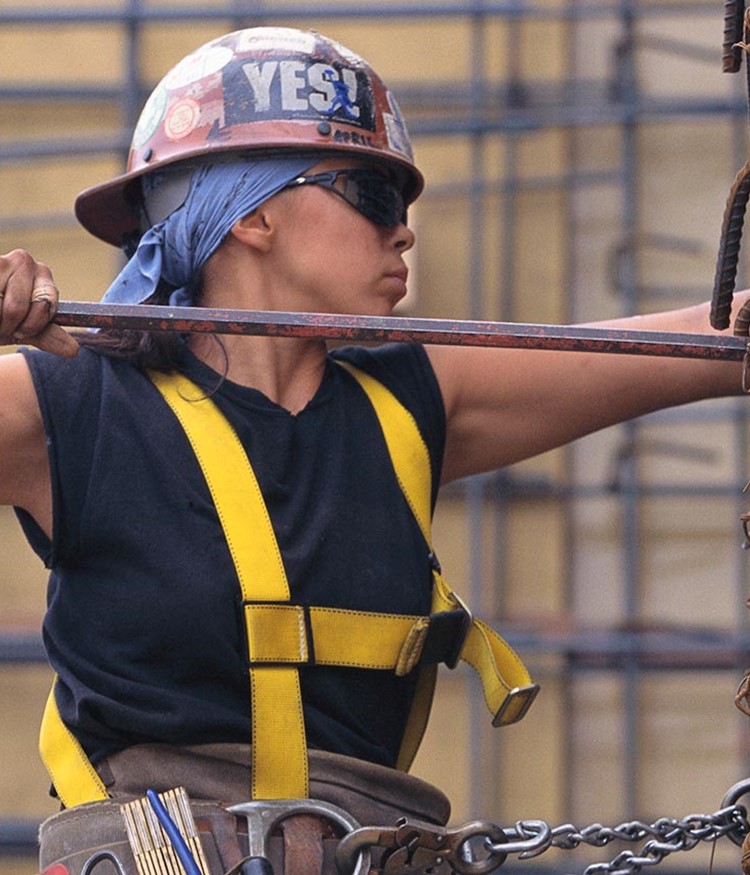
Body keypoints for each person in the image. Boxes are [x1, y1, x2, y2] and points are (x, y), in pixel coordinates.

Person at [0, 24, 747, 875]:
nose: (405, 234)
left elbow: (706, 342)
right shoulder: (66, 403)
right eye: (374, 195)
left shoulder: (408, 403)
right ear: (252, 214)